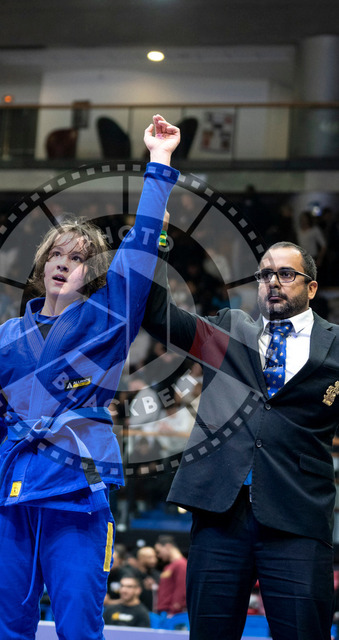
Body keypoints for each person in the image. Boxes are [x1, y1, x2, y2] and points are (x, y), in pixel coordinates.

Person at [0, 114, 180, 640]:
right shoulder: (6, 337)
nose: (63, 263)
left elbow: (140, 249)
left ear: (91, 274)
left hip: (77, 493)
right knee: (6, 624)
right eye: (55, 255)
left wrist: (159, 162)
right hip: (11, 496)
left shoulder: (108, 320)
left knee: (77, 624)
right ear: (41, 265)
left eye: (77, 258)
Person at [142, 238, 339, 639]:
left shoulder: (335, 345)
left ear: (312, 287)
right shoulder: (228, 330)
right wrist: (156, 243)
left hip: (297, 515)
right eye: (265, 274)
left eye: (286, 274)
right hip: (220, 513)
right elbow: (159, 316)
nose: (273, 282)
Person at [154, 535, 187, 616]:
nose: (159, 555)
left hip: (172, 612)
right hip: (164, 610)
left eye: (158, 551)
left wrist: (174, 610)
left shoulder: (181, 564)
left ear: (168, 546)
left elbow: (182, 588)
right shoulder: (170, 566)